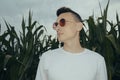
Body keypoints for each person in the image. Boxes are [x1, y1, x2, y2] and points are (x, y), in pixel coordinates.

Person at [35, 7, 108, 80]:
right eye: (56, 24)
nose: (57, 28)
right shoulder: (46, 58)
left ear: (78, 26)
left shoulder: (97, 60)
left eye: (62, 22)